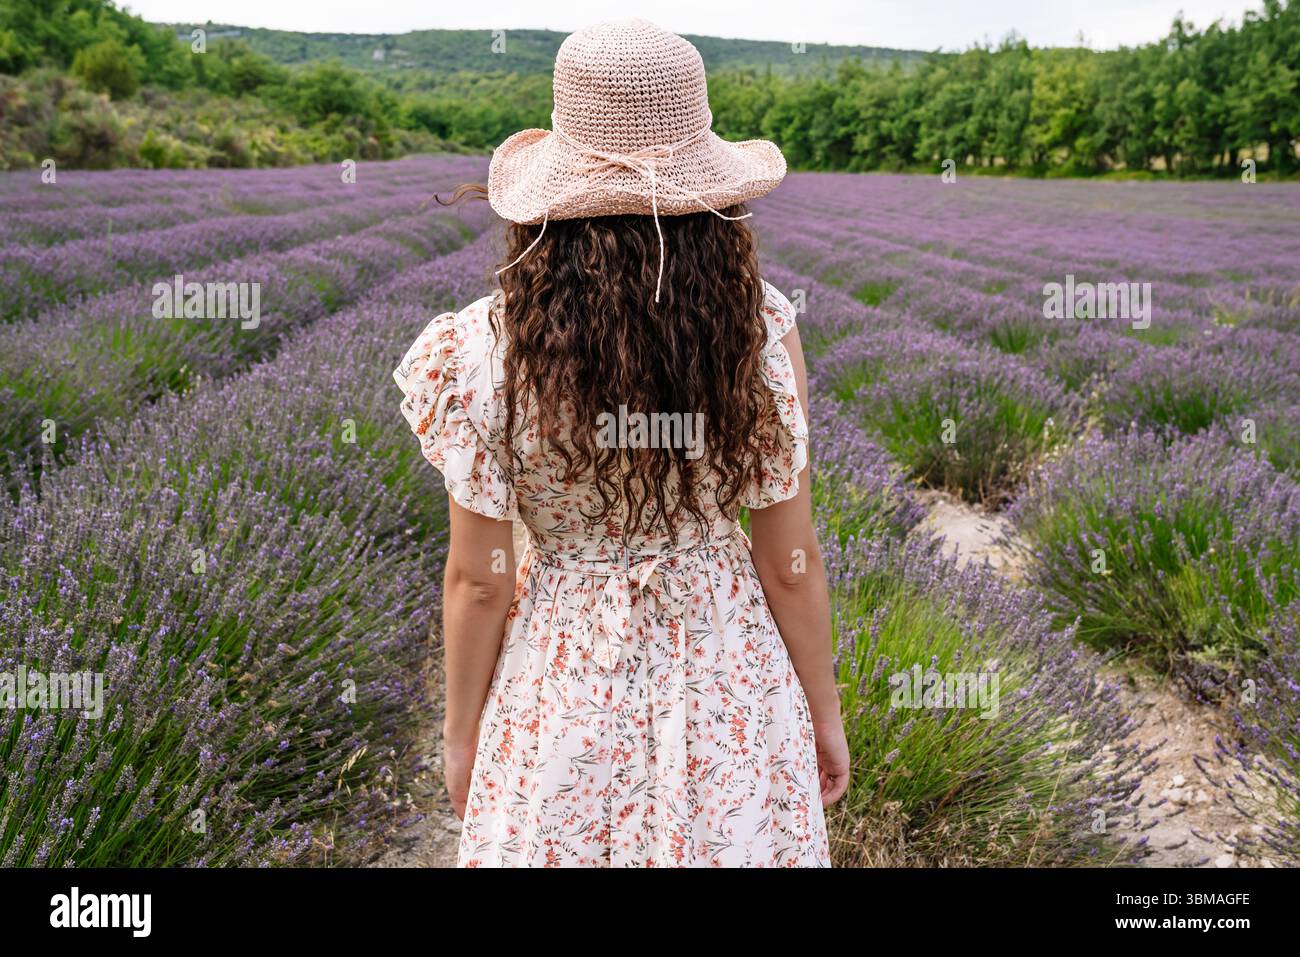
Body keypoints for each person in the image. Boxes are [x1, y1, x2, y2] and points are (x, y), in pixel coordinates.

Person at [394, 18, 848, 868]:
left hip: (562, 677)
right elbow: (791, 562)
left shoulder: (480, 350)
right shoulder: (761, 331)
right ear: (711, 191)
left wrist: (462, 739)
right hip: (727, 670)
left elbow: (477, 583)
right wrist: (822, 713)